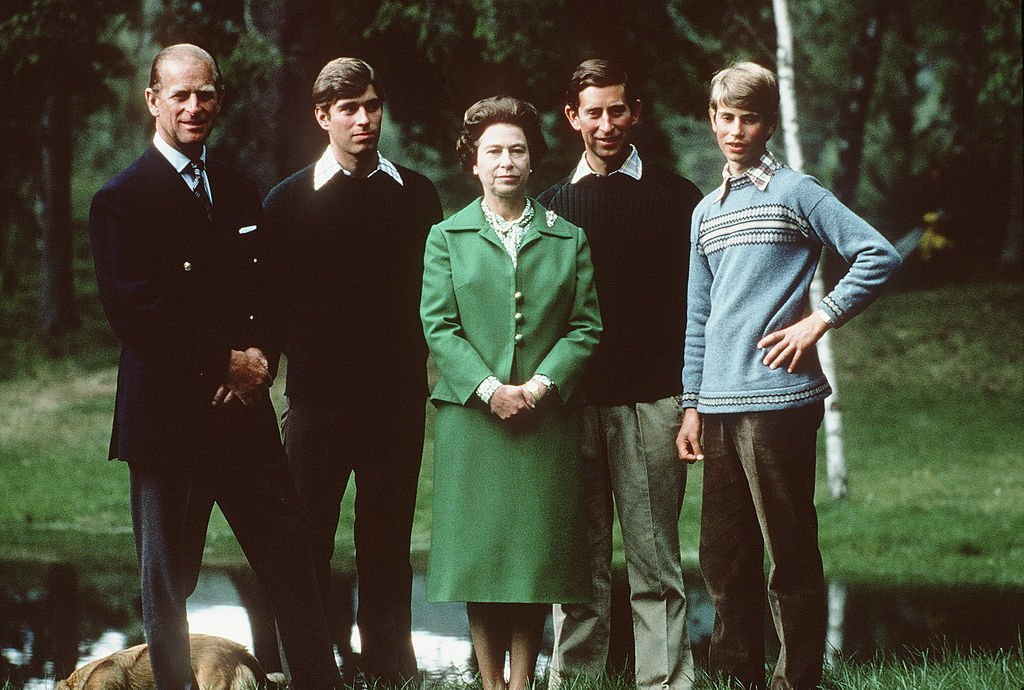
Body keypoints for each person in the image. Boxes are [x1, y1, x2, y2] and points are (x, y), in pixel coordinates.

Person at [87, 43, 342, 690]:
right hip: (168, 419)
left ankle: (320, 683)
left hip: (243, 415)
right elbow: (137, 313)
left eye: (205, 94)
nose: (194, 106)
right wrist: (224, 362)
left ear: (219, 98)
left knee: (292, 557)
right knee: (168, 583)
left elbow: (269, 294)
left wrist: (259, 360)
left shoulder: (236, 188)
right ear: (153, 101)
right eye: (180, 95)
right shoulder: (121, 200)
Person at [675, 62, 902, 689]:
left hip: (780, 402)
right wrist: (692, 405)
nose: (737, 129)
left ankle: (798, 679)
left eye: (750, 118)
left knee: (790, 556)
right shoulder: (705, 213)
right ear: (712, 120)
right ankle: (738, 677)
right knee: (723, 559)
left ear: (769, 123)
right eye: (727, 117)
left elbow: (877, 253)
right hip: (717, 407)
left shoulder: (797, 192)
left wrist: (817, 321)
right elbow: (698, 317)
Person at [262, 57, 442, 684]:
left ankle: (391, 669)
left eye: (371, 106)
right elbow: (270, 306)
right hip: (316, 404)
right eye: (348, 109)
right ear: (322, 117)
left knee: (386, 544)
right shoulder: (286, 203)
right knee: (306, 538)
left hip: (395, 402)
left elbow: (432, 299)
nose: (363, 120)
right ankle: (308, 669)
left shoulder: (416, 194)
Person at [420, 96, 602, 690]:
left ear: (533, 160)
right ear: (473, 161)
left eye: (517, 150)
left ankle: (522, 684)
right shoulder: (446, 236)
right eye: (493, 150)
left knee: (533, 559)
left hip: (544, 420)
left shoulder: (568, 237)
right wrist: (490, 389)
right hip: (473, 422)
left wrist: (539, 388)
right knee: (479, 558)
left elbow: (585, 327)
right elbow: (439, 325)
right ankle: (490, 685)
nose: (506, 161)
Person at [538, 59, 703, 690]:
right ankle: (574, 679)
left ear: (635, 113)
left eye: (618, 110)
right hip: (572, 408)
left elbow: (699, 307)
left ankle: (666, 681)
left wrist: (691, 402)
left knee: (654, 562)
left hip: (654, 403)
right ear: (572, 117)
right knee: (578, 564)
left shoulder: (677, 198)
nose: (606, 124)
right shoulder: (550, 208)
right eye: (594, 111)